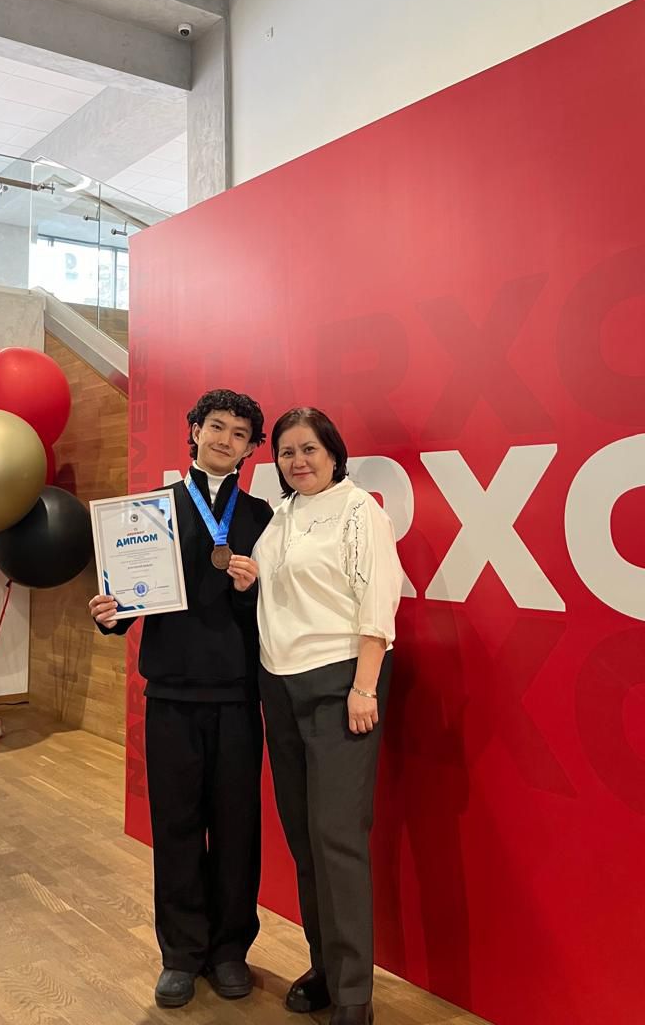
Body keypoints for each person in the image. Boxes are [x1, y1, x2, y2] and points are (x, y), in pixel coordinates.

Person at [89, 389, 272, 1010]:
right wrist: (110, 614)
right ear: (194, 430)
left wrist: (252, 590)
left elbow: (277, 611)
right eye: (215, 426)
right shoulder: (148, 512)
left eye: (240, 434)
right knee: (175, 825)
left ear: (250, 449)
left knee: (237, 826)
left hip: (238, 695)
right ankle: (181, 954)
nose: (225, 440)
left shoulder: (261, 517)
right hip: (169, 693)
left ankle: (230, 950)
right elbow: (127, 603)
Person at [236, 407, 403, 1025]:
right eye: (286, 452)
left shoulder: (361, 512)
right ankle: (325, 968)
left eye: (309, 448)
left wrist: (365, 687)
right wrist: (251, 578)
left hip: (341, 685)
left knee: (338, 839)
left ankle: (355, 993)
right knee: (304, 837)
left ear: (333, 451)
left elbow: (378, 604)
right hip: (278, 685)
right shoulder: (281, 516)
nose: (298, 461)